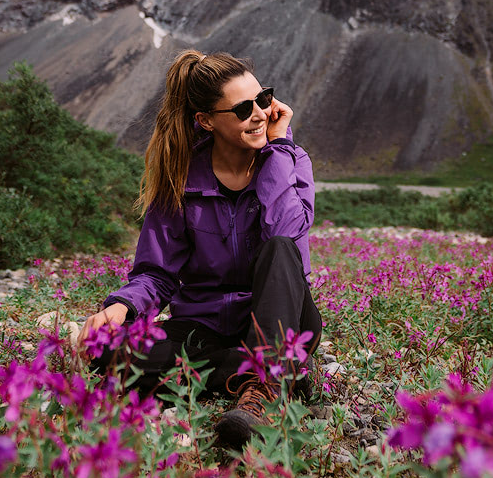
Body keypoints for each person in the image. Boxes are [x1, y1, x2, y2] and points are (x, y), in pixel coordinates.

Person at [81, 49, 322, 451]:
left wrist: (277, 151)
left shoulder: (290, 160)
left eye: (263, 99)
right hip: (205, 328)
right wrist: (122, 307)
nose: (260, 114)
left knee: (279, 248)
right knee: (110, 354)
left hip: (279, 320)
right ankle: (266, 375)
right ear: (206, 121)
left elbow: (290, 236)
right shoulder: (181, 177)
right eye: (244, 109)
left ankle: (265, 381)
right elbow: (156, 274)